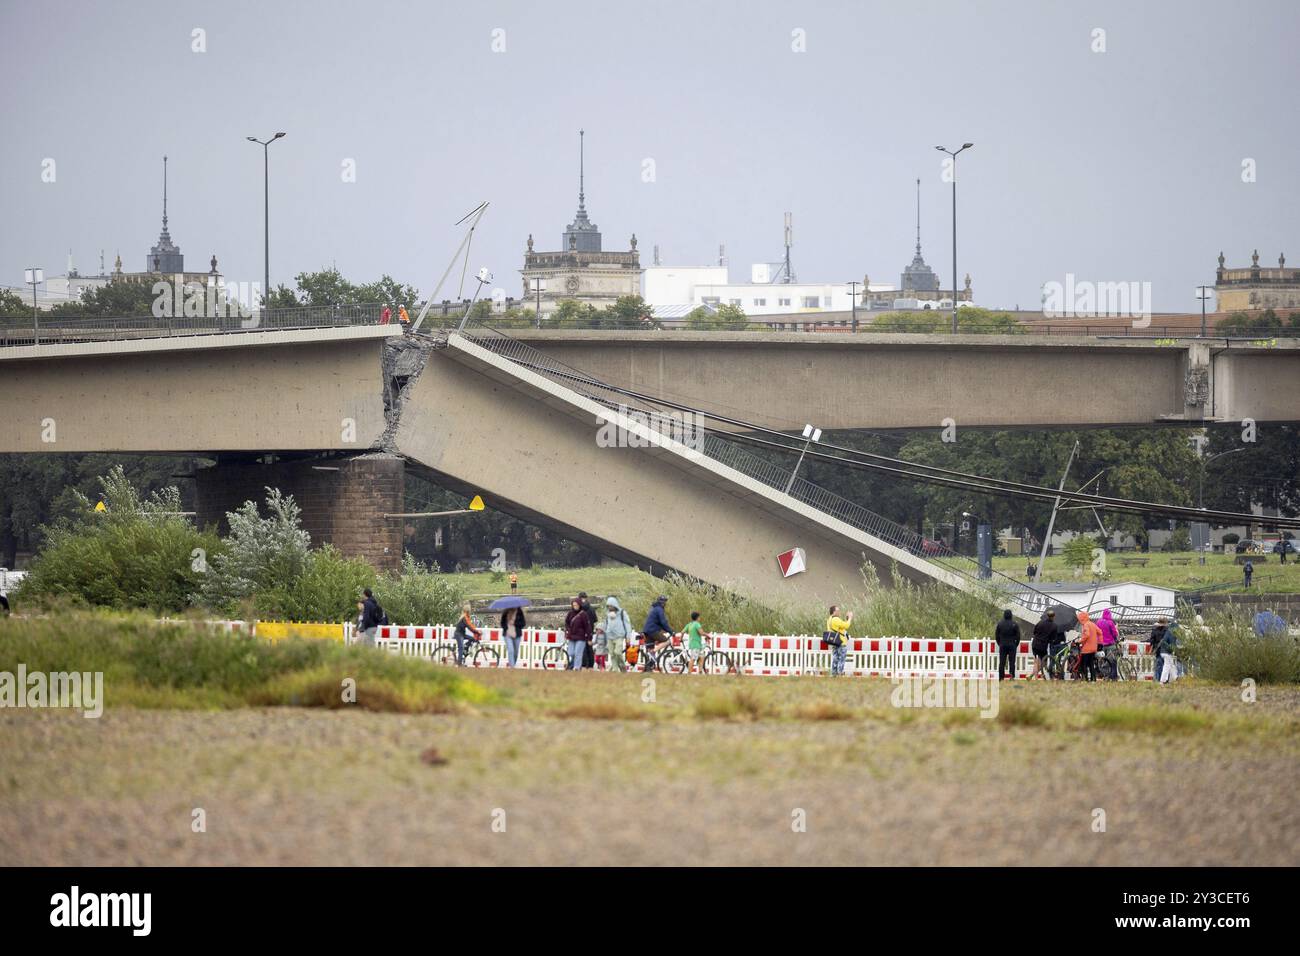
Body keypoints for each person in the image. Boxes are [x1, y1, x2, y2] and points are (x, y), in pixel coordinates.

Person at [641, 594, 674, 671]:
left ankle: (648, 669)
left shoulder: (654, 608)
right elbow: (663, 622)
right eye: (664, 601)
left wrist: (666, 629)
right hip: (652, 630)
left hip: (647, 631)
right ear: (662, 602)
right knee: (667, 641)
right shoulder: (659, 609)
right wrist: (671, 631)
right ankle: (653, 652)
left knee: (650, 650)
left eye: (665, 601)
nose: (664, 603)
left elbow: (659, 622)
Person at [603, 596, 633, 672]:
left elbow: (627, 624)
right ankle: (615, 670)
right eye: (608, 606)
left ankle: (623, 667)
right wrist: (604, 634)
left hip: (619, 636)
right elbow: (605, 625)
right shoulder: (607, 614)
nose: (609, 607)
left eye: (611, 605)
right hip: (609, 636)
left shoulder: (622, 613)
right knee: (612, 654)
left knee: (618, 652)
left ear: (614, 604)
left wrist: (628, 637)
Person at [564, 597, 591, 671]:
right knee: (571, 653)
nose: (575, 606)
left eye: (576, 605)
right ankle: (574, 665)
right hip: (572, 636)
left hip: (581, 637)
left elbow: (587, 626)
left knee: (578, 653)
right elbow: (566, 623)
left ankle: (577, 667)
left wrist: (589, 638)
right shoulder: (570, 613)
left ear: (579, 605)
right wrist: (567, 629)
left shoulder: (583, 614)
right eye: (574, 605)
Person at [995, 609, 1021, 681]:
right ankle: (1012, 676)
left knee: (1002, 662)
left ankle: (1001, 677)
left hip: (1003, 645)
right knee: (1012, 662)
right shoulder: (1014, 624)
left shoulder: (1000, 624)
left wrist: (999, 643)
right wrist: (1016, 644)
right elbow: (1018, 636)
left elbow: (997, 635)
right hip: (1012, 645)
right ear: (1011, 615)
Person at [826, 605, 852, 676]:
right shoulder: (836, 619)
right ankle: (840, 673)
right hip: (841, 642)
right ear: (834, 612)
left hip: (834, 641)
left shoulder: (830, 619)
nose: (839, 612)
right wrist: (849, 618)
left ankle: (834, 674)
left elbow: (841, 626)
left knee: (835, 658)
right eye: (837, 611)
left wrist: (846, 619)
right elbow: (846, 625)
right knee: (841, 659)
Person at [1076, 610, 1101, 681]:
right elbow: (1100, 632)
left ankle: (1086, 678)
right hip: (1093, 648)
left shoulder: (1086, 625)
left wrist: (1080, 641)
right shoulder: (1092, 624)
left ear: (1082, 618)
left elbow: (1087, 635)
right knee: (1091, 664)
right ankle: (1093, 679)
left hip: (1086, 648)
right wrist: (1099, 642)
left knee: (1083, 664)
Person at [1031, 609, 1056, 679]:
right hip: (1043, 646)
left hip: (1035, 643)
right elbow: (1053, 638)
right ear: (1054, 616)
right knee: (1043, 663)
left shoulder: (1040, 622)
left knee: (1036, 662)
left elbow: (1034, 632)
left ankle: (1035, 677)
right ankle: (1036, 675)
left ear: (1047, 616)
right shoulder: (1054, 626)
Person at [1098, 608, 1121, 680]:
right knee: (1112, 661)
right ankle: (1113, 677)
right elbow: (1114, 633)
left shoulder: (1098, 622)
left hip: (1101, 645)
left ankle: (1106, 676)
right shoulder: (1110, 622)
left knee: (1104, 660)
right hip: (1110, 644)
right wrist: (1116, 629)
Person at [578, 592, 598, 669]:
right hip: (590, 632)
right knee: (589, 649)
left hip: (581, 631)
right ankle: (590, 665)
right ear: (586, 598)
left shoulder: (578, 609)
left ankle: (583, 665)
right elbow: (595, 620)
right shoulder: (592, 609)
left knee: (582, 649)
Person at [1157, 620, 1179, 684]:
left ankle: (1175, 678)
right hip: (1167, 652)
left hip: (1163, 651)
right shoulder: (1172, 633)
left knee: (1171, 665)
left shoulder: (1168, 632)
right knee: (1167, 666)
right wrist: (1174, 649)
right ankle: (1162, 680)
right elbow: (1172, 644)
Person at [1148, 617, 1169, 682]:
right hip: (1166, 650)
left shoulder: (1155, 630)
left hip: (1158, 650)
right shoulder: (1168, 630)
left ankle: (1158, 679)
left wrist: (1151, 649)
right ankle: (1164, 680)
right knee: (1166, 666)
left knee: (1158, 665)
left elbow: (1151, 641)